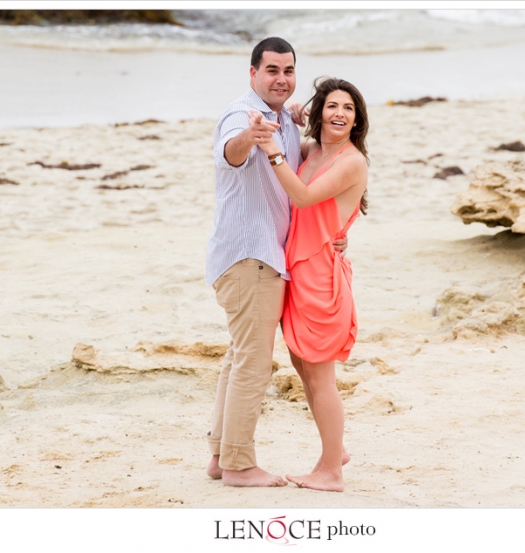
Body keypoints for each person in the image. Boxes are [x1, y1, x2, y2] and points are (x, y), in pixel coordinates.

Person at [204, 38, 347, 487]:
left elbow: (313, 168)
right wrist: (253, 136)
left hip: (262, 257)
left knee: (239, 357)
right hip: (251, 257)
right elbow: (231, 152)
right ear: (253, 73)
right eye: (271, 70)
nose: (281, 79)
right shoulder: (242, 115)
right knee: (253, 363)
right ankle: (239, 466)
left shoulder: (284, 119)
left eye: (288, 70)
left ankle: (221, 457)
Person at [251, 77, 369, 492]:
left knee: (320, 377)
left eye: (348, 109)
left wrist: (272, 151)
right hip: (299, 270)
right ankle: (335, 450)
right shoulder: (314, 151)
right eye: (332, 106)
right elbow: (296, 130)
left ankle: (331, 471)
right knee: (303, 367)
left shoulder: (351, 162)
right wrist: (296, 111)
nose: (340, 113)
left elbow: (302, 197)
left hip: (320, 275)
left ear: (357, 121)